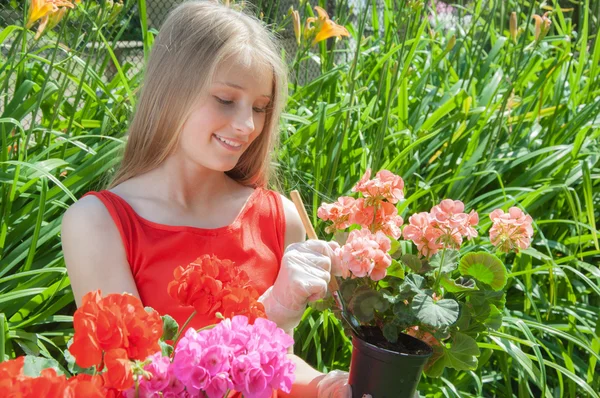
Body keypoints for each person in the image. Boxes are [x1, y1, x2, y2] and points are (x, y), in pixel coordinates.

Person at [60, 1, 352, 397]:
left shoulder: (280, 217)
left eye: (261, 108)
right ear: (172, 91)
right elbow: (139, 383)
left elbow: (271, 370)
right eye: (225, 99)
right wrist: (274, 308)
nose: (247, 125)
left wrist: (325, 388)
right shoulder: (96, 223)